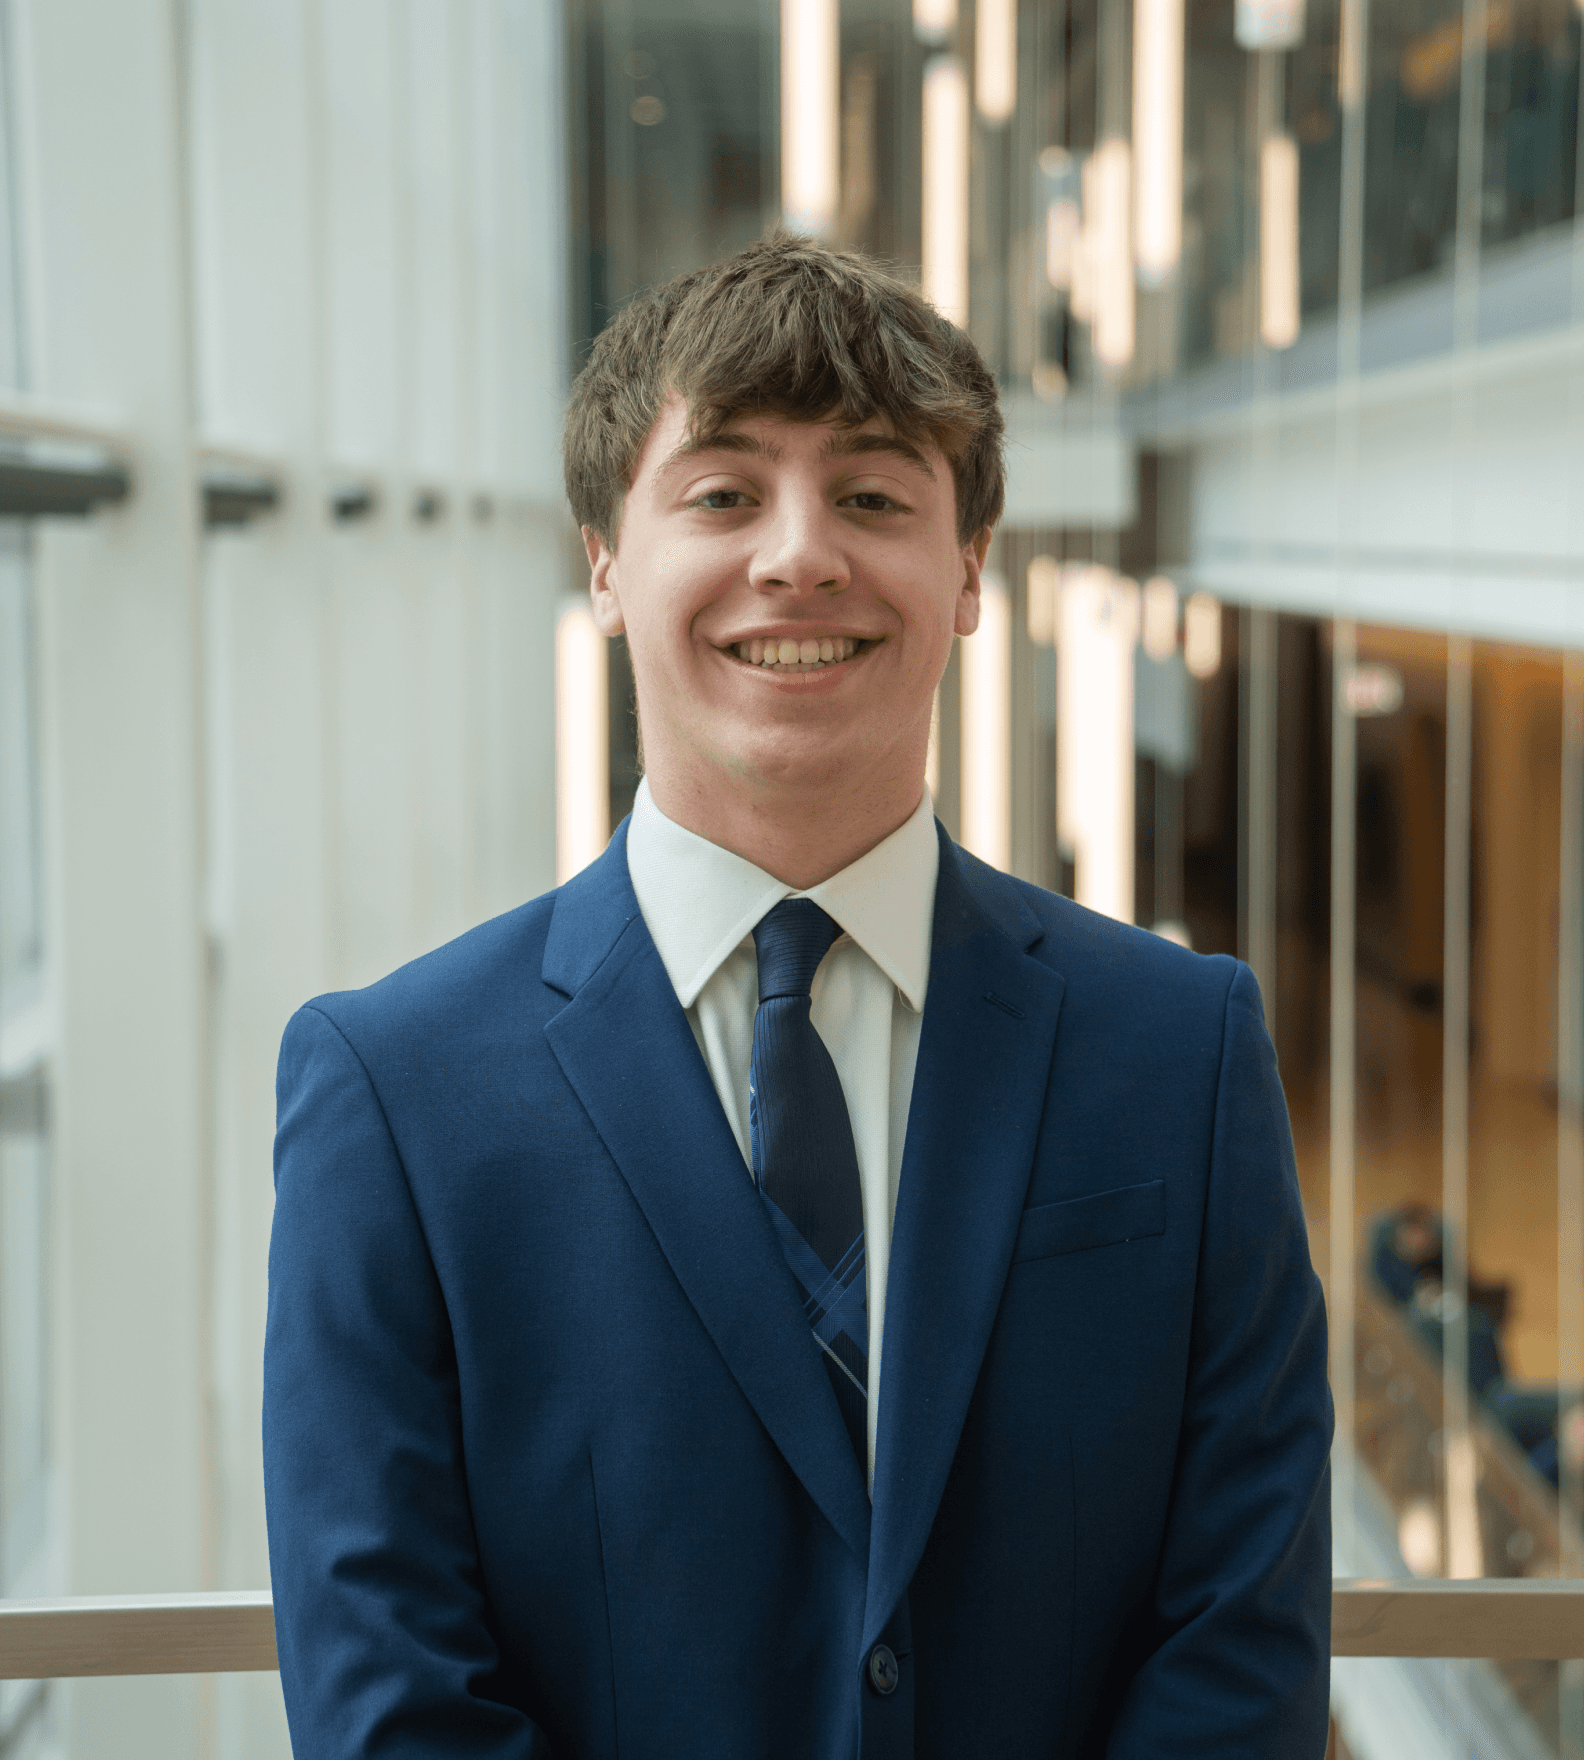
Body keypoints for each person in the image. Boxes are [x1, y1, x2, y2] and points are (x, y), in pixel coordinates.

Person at [264, 233, 1333, 1759]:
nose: (798, 555)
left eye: (876, 495)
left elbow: (1243, 1636)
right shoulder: (392, 1094)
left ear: (967, 572)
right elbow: (390, 1693)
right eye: (722, 493)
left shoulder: (1183, 1050)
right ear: (606, 564)